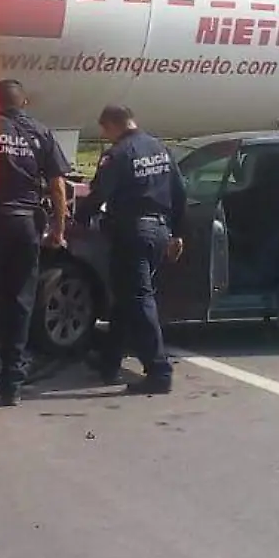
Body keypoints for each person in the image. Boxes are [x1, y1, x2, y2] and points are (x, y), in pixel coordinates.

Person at [0, 79, 71, 409]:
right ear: (25, 102)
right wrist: (58, 228)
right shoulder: (42, 133)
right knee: (19, 302)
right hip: (25, 224)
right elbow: (57, 186)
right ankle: (12, 387)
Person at [76, 105, 186, 395]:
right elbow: (180, 193)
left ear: (112, 125)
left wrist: (76, 221)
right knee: (126, 297)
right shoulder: (160, 148)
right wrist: (177, 233)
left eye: (104, 130)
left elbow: (98, 193)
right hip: (160, 231)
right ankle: (109, 362)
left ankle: (159, 371)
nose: (105, 136)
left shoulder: (119, 153)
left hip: (132, 233)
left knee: (138, 299)